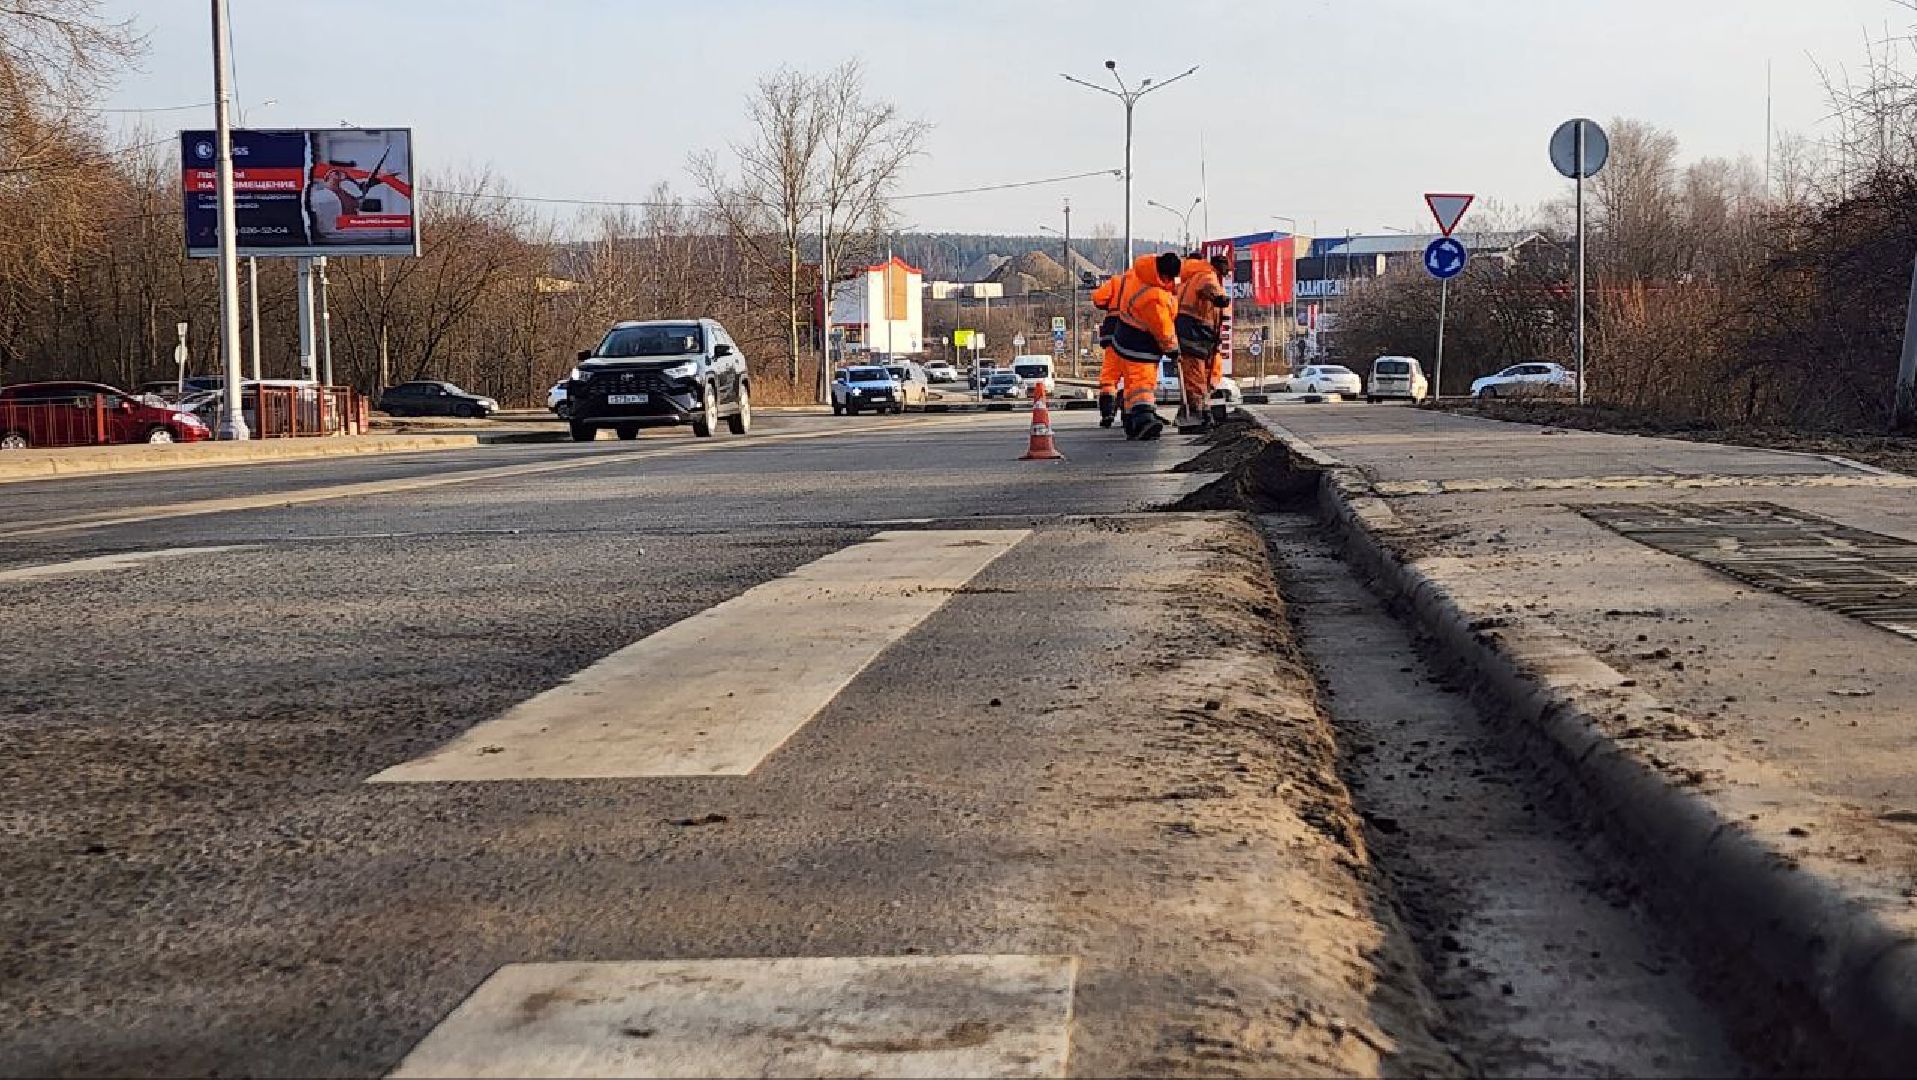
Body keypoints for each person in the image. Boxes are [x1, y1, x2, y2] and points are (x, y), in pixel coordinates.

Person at [1108, 252, 1183, 440]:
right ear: (1165, 275)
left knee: (1132, 384)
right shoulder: (1155, 298)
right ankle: (1144, 419)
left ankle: (1130, 420)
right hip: (1139, 347)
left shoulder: (1137, 273)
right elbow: (1164, 331)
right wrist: (1173, 350)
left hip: (1123, 338)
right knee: (1142, 384)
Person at [1174, 253, 1232, 431]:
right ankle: (1197, 414)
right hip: (1194, 332)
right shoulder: (1206, 275)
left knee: (1199, 374)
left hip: (1195, 332)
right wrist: (1218, 298)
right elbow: (1209, 287)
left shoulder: (1189, 280)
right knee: (1194, 375)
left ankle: (1195, 409)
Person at [1089, 269, 1130, 427]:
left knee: (1109, 376)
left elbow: (1098, 299)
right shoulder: (1145, 285)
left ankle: (1107, 413)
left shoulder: (1116, 282)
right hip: (1135, 333)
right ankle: (1129, 412)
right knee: (1132, 375)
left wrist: (1110, 305)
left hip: (1113, 330)